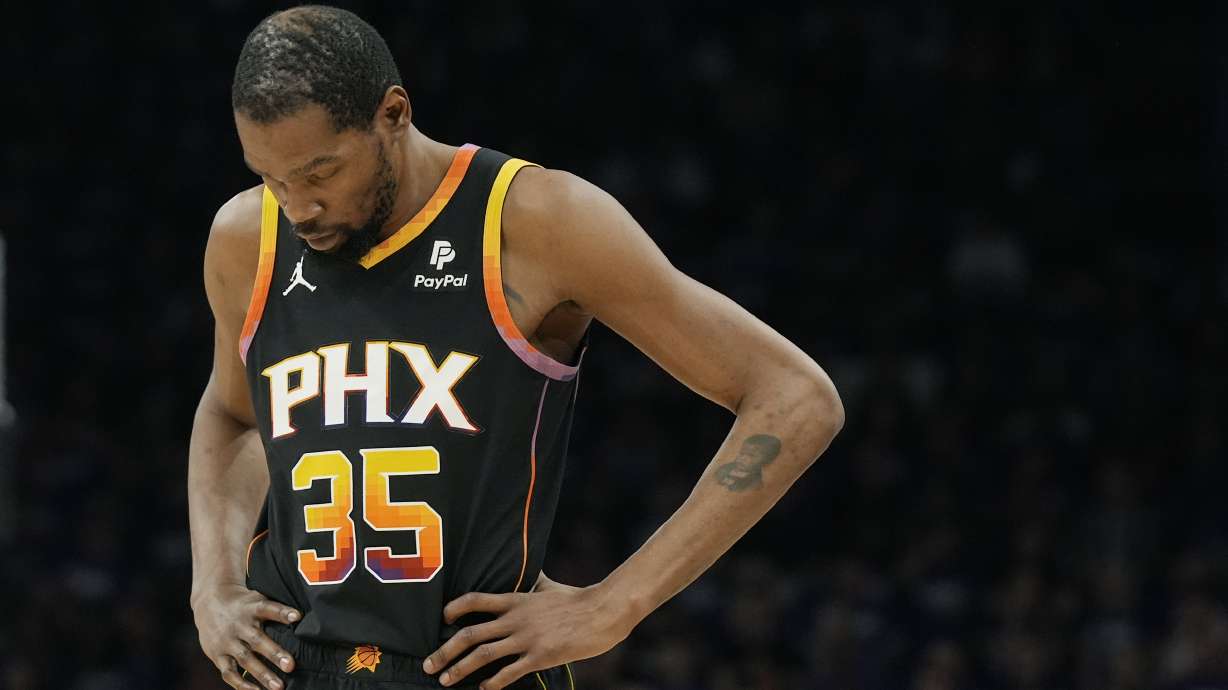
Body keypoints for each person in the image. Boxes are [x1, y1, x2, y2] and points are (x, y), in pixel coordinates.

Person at [187, 5, 844, 690]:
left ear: (393, 114)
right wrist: (213, 585)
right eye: (271, 176)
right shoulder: (244, 238)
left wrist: (617, 604)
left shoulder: (535, 221)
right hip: (295, 666)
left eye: (321, 173)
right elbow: (233, 415)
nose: (298, 206)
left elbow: (794, 398)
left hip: (469, 667)